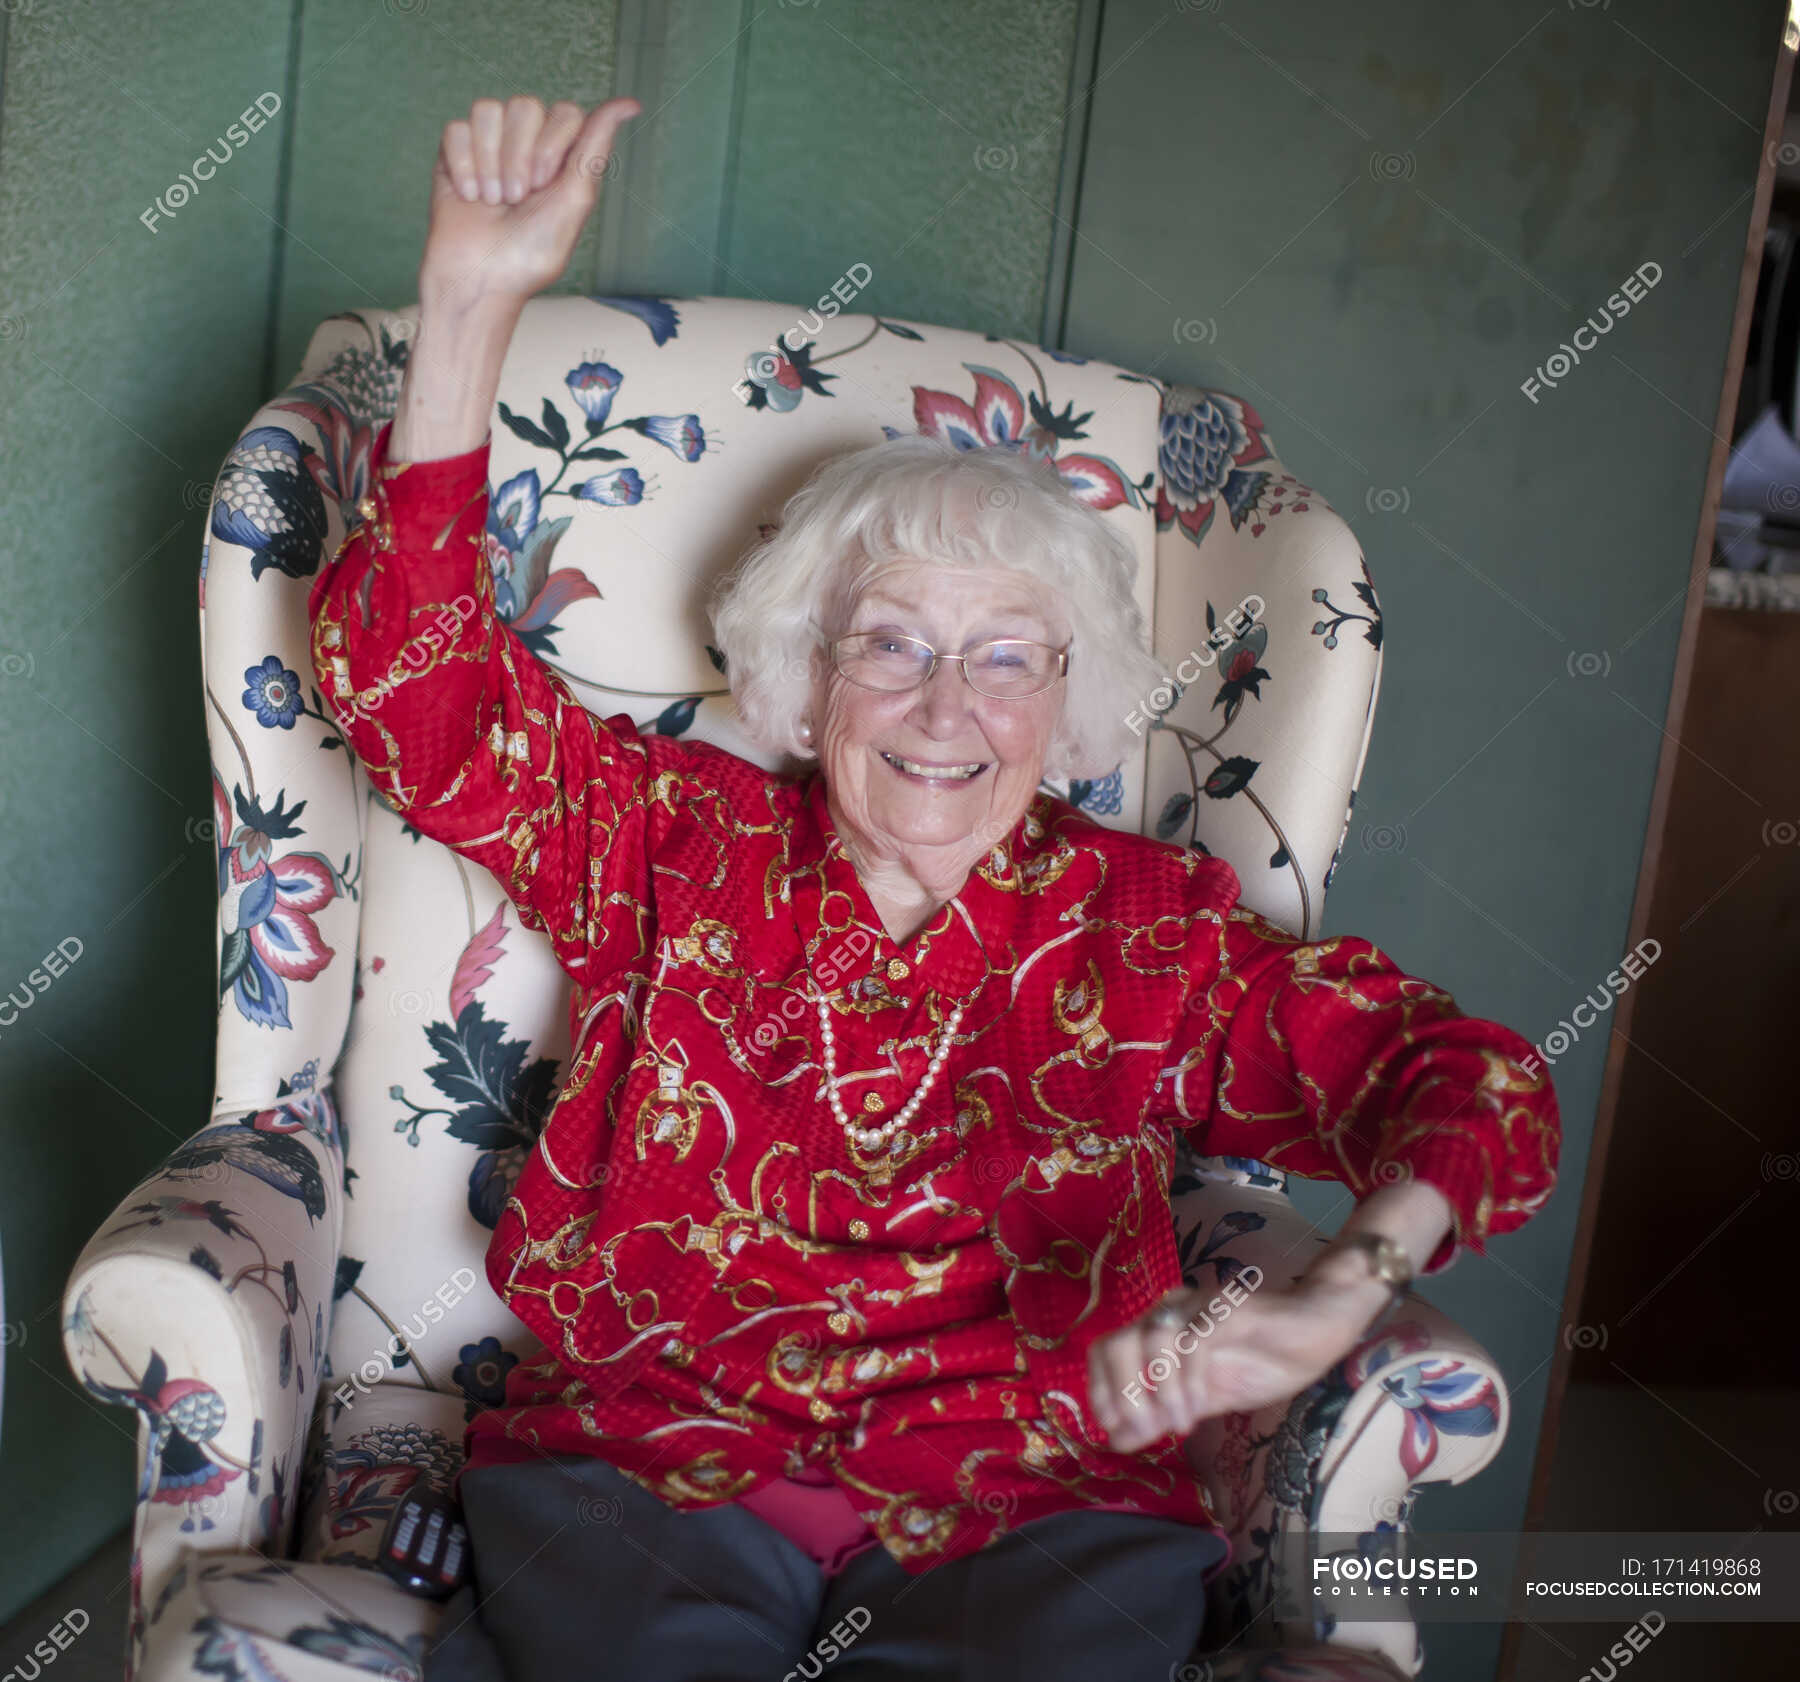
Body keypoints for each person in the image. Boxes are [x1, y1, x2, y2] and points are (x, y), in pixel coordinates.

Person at [308, 95, 1561, 1682]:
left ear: (1072, 693)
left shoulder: (1150, 928)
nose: (946, 709)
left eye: (1006, 658)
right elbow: (414, 692)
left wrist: (1350, 1287)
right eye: (891, 642)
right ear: (805, 674)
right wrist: (473, 305)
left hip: (1041, 1502)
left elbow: (1462, 1080)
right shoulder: (673, 840)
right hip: (645, 1464)